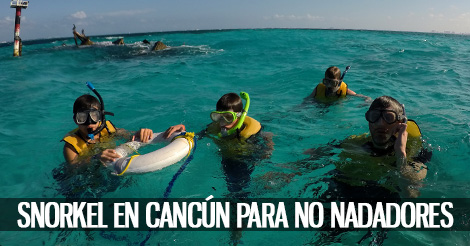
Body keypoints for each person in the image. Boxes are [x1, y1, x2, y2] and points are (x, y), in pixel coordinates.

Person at [165, 92, 273, 195]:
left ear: (239, 116)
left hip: (248, 155)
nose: (222, 122)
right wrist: (182, 130)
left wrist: (268, 150)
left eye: (228, 117)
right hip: (229, 158)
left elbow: (267, 136)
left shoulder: (248, 131)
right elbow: (195, 137)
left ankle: (269, 179)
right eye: (218, 117)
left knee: (238, 191)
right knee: (233, 187)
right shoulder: (214, 128)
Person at [62, 94, 155, 164]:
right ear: (76, 120)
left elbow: (131, 136)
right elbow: (74, 168)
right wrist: (95, 158)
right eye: (82, 118)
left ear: (101, 117)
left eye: (94, 116)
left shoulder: (108, 129)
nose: (89, 122)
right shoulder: (70, 146)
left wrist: (142, 132)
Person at [305, 66, 370, 103]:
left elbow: (358, 95)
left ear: (339, 82)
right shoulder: (318, 89)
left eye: (333, 83)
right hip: (320, 105)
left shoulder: (344, 90)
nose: (329, 86)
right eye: (326, 82)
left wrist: (367, 99)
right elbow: (307, 100)